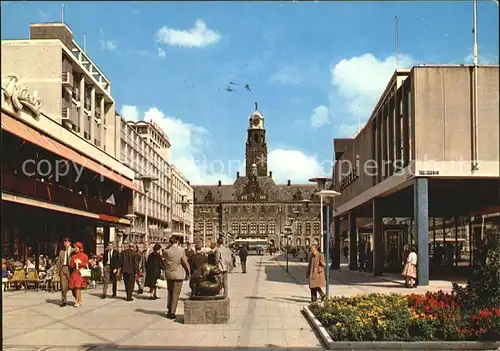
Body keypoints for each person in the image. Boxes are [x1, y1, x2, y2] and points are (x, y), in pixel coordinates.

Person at [163, 236, 190, 319]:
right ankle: (172, 312)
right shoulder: (181, 250)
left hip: (169, 275)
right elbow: (185, 262)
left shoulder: (166, 251)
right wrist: (188, 272)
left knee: (170, 292)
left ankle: (169, 309)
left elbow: (164, 257)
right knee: (176, 294)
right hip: (178, 275)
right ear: (177, 242)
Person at [68, 242, 89, 307]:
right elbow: (71, 265)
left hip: (81, 273)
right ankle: (79, 299)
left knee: (78, 287)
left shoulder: (84, 255)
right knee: (74, 288)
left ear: (80, 248)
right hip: (75, 273)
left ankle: (77, 301)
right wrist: (74, 263)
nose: (75, 249)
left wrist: (80, 263)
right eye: (75, 247)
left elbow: (87, 264)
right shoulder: (73, 256)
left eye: (76, 247)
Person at [57, 237, 74, 307]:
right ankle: (64, 300)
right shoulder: (61, 252)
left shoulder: (73, 251)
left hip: (70, 269)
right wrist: (59, 271)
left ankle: (77, 298)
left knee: (73, 285)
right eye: (64, 242)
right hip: (63, 269)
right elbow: (59, 262)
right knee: (63, 286)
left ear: (70, 243)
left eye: (67, 242)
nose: (65, 244)